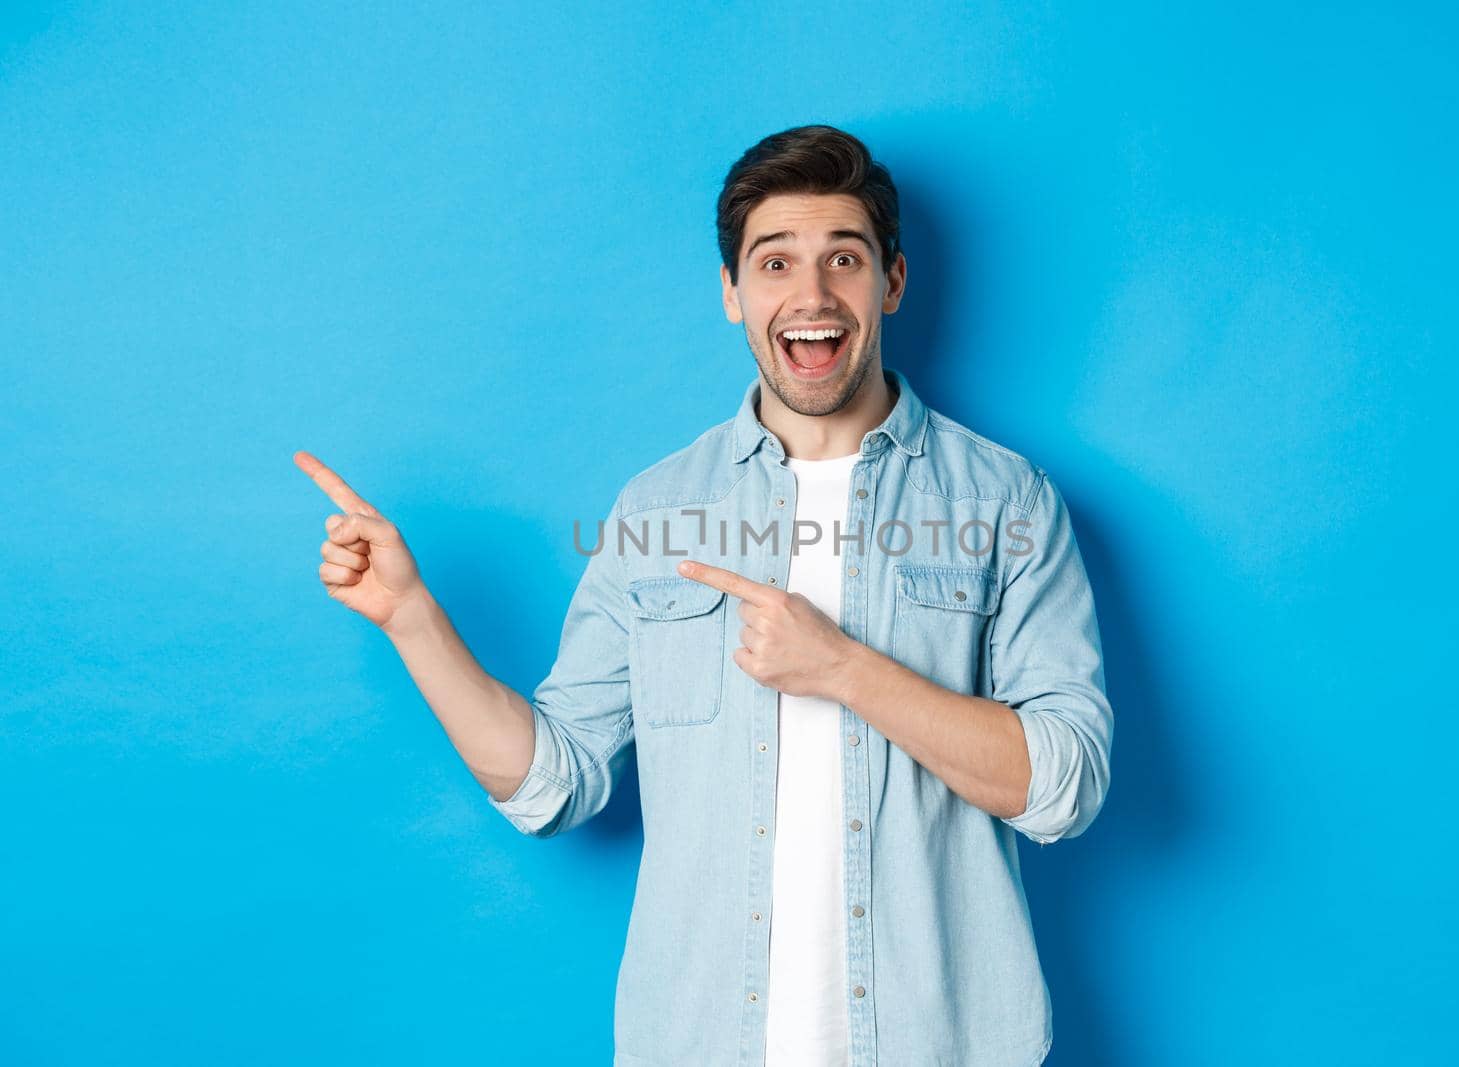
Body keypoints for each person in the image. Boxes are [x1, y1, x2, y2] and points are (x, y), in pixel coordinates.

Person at [294, 124, 1113, 1067]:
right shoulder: (659, 511)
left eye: (843, 258)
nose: (811, 296)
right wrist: (412, 619)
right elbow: (551, 783)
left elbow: (1064, 784)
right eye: (774, 264)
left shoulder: (1005, 501)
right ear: (733, 293)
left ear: (890, 283)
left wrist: (844, 668)